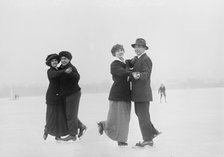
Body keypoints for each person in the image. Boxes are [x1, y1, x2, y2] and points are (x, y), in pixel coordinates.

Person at [97, 44, 132, 146]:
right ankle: (121, 140)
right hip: (117, 94)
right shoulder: (114, 64)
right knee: (117, 117)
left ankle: (104, 125)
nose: (120, 52)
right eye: (117, 51)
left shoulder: (125, 62)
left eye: (121, 50)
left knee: (125, 117)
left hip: (126, 94)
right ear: (114, 54)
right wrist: (131, 72)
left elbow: (130, 64)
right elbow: (122, 73)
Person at [130, 38, 161, 147]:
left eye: (139, 47)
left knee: (143, 116)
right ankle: (152, 132)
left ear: (144, 48)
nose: (137, 49)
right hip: (139, 94)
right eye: (136, 47)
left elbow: (146, 74)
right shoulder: (138, 59)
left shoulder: (146, 59)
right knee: (141, 115)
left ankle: (148, 140)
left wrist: (136, 75)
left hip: (143, 93)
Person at [58, 51, 87, 141]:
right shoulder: (60, 68)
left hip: (73, 93)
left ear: (69, 59)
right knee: (69, 114)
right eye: (62, 59)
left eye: (65, 59)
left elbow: (77, 78)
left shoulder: (71, 68)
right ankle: (81, 126)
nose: (63, 60)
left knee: (71, 114)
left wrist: (70, 73)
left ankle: (73, 135)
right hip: (65, 94)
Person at [43, 53, 69, 140]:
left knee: (60, 116)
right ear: (50, 63)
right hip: (51, 96)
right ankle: (46, 129)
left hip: (59, 96)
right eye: (52, 61)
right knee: (51, 116)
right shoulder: (50, 71)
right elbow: (54, 74)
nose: (54, 62)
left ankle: (58, 135)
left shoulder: (58, 69)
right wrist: (64, 71)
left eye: (55, 60)